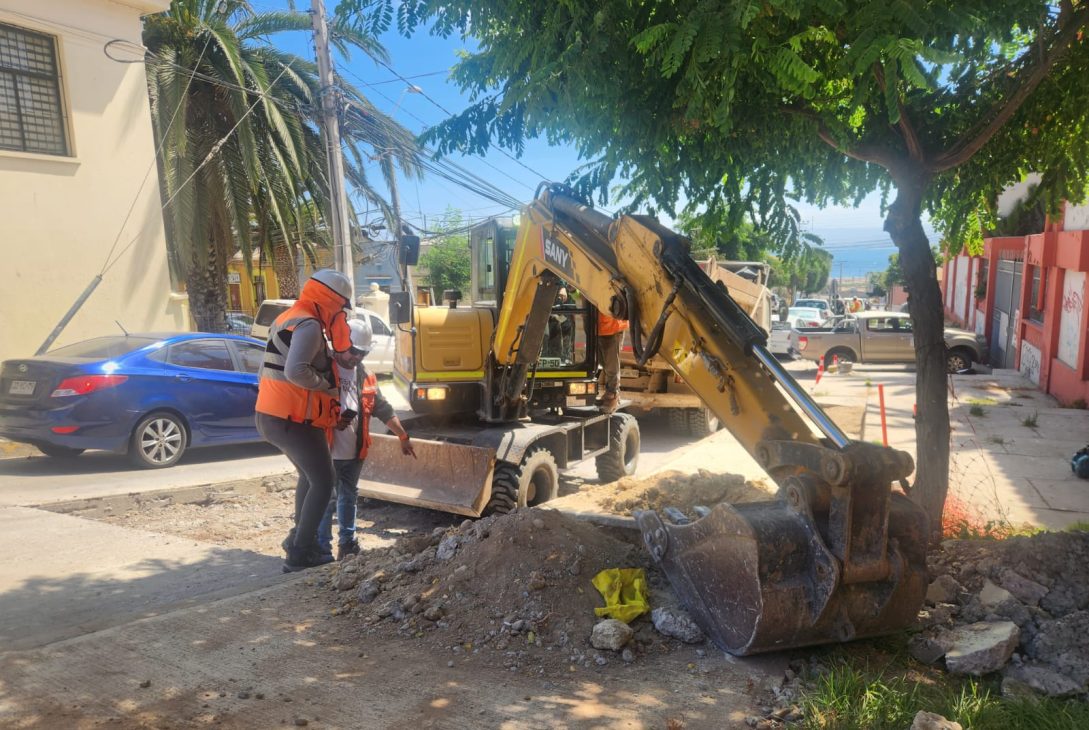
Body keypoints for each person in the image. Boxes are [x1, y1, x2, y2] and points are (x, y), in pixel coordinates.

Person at [255, 269, 356, 573]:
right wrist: (327, 386)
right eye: (341, 307)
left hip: (274, 415)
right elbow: (295, 371)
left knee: (309, 478)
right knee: (325, 482)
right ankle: (301, 552)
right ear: (332, 301)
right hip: (292, 417)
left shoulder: (292, 317)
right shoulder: (310, 325)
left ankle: (299, 539)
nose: (342, 314)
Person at [317, 318, 416, 561]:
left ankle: (347, 545)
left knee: (348, 498)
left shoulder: (367, 376)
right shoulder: (323, 370)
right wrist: (331, 422)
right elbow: (308, 409)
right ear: (340, 344)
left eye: (361, 352)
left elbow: (383, 408)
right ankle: (320, 549)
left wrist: (403, 435)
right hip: (324, 451)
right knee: (324, 501)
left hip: (354, 452)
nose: (356, 357)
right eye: (353, 351)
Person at [596, 311, 628, 413]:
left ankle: (613, 394)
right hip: (599, 327)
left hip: (611, 327)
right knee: (605, 364)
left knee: (611, 364)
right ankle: (611, 393)